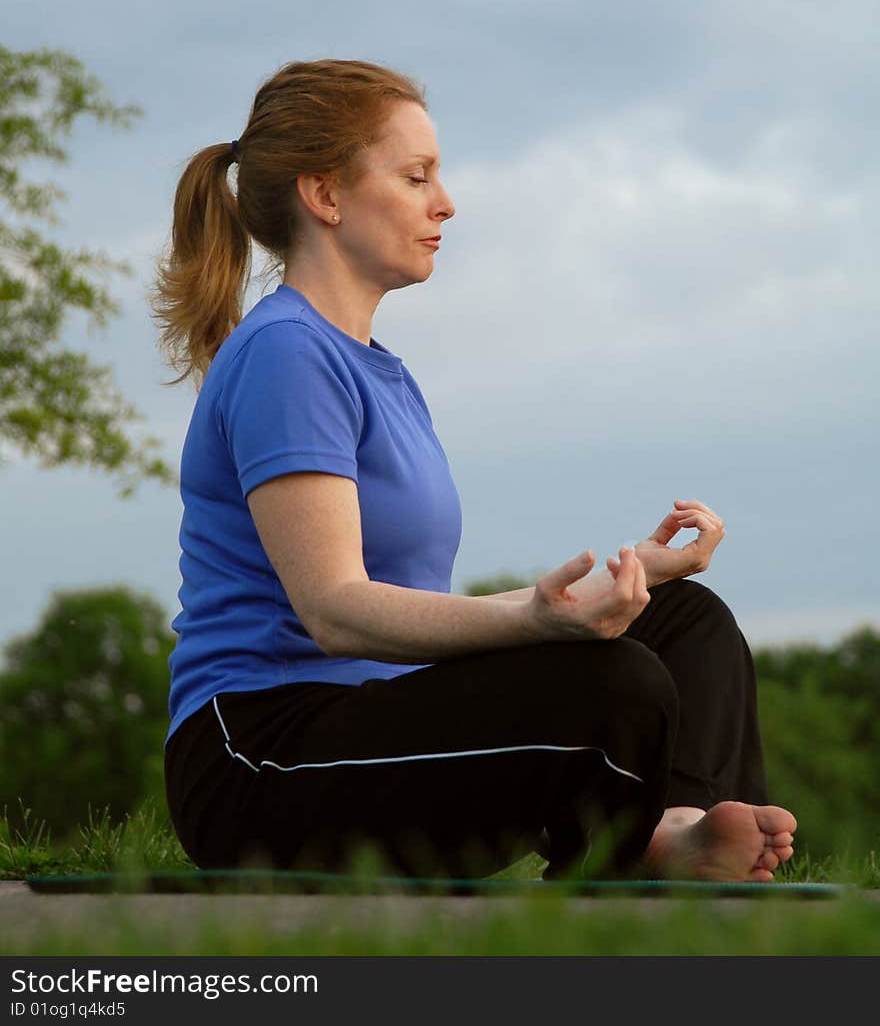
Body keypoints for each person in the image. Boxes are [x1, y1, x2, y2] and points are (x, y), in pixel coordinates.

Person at [153, 57, 797, 883]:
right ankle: (645, 849)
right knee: (617, 683)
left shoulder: (381, 372)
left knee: (682, 621)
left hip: (379, 723)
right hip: (262, 762)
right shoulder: (287, 352)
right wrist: (538, 618)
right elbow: (337, 614)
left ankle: (671, 827)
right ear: (325, 196)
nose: (445, 202)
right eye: (416, 176)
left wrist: (607, 588)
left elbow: (425, 617)